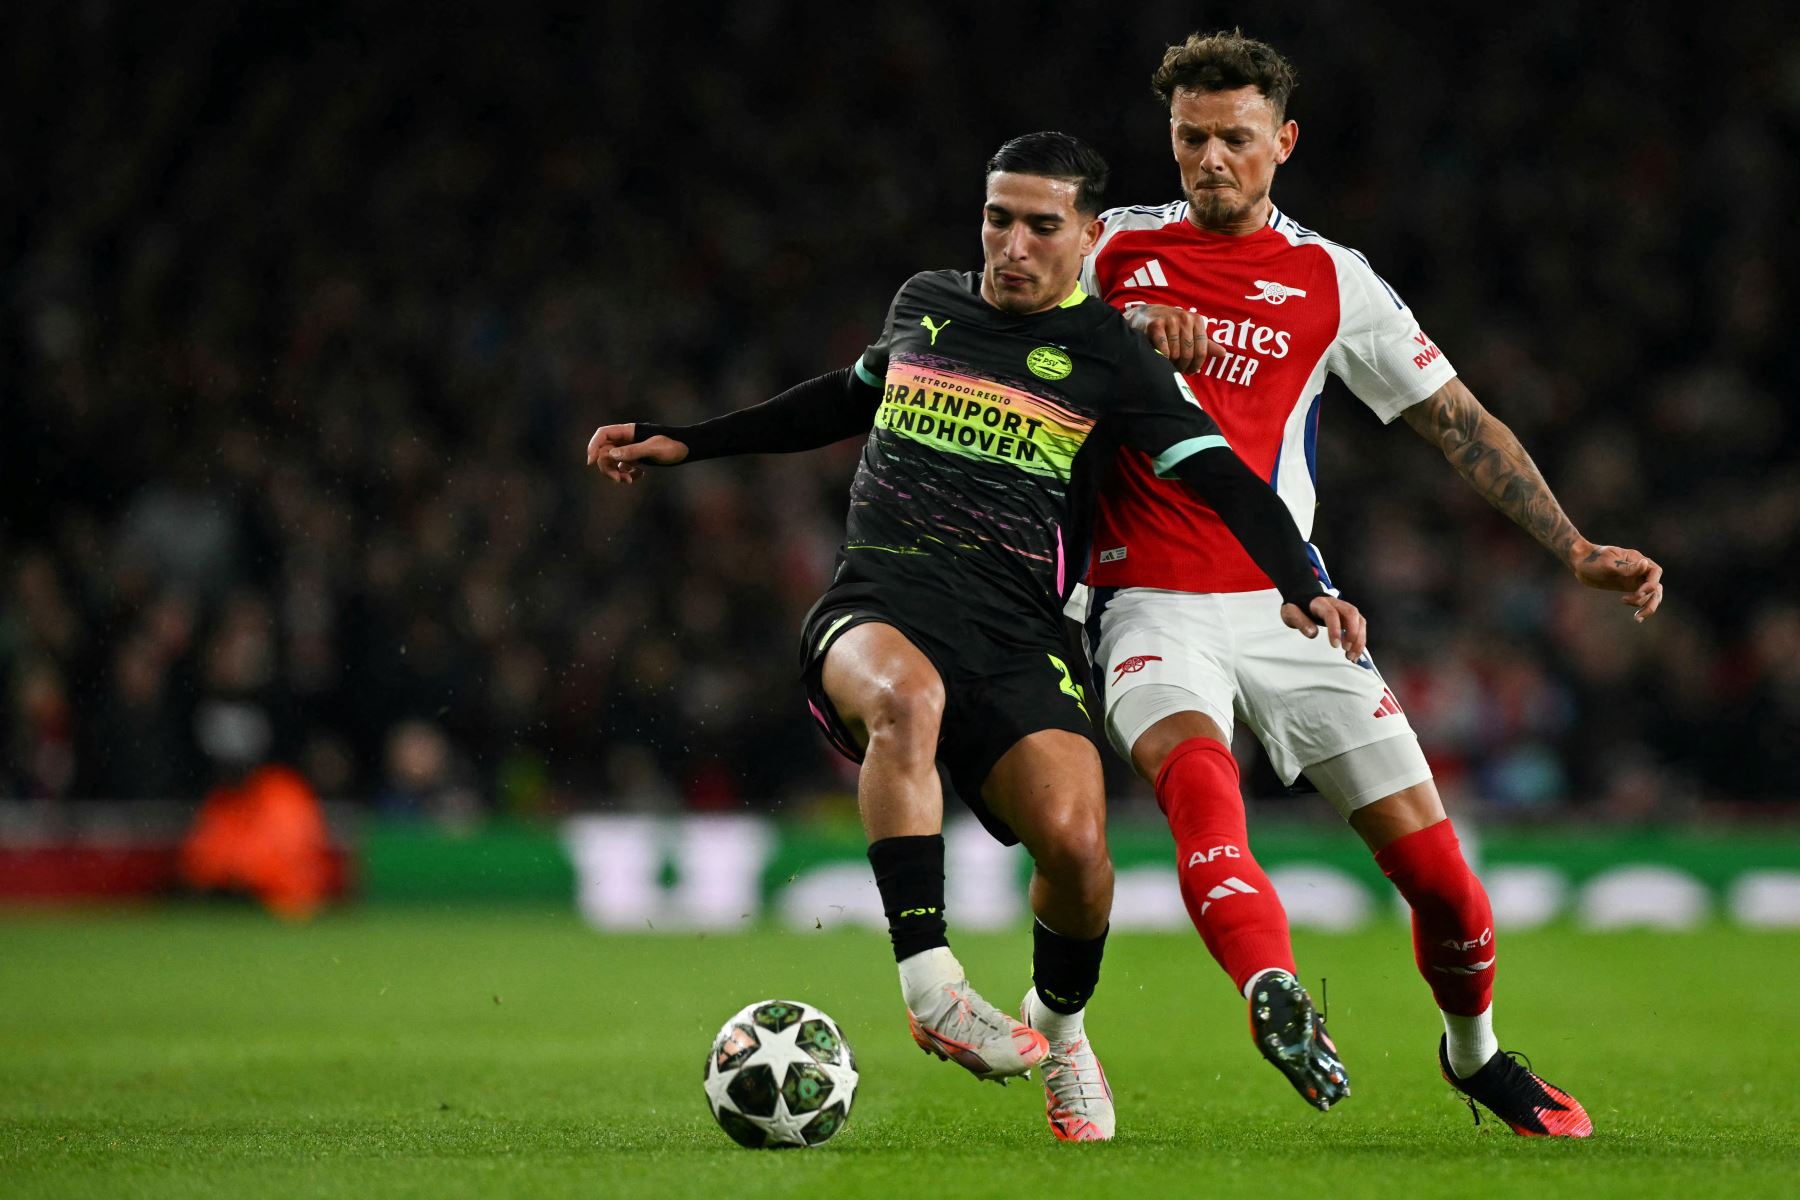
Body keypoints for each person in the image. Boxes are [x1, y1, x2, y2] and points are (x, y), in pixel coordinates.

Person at [587, 132, 1364, 1143]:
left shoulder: (1111, 358)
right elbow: (843, 397)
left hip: (1016, 632)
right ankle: (932, 984)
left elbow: (1221, 477)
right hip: (880, 602)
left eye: (1043, 225)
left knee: (1080, 850)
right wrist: (690, 439)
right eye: (1000, 217)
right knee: (905, 702)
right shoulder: (926, 304)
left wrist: (1306, 582)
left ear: (1089, 236)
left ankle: (1063, 1033)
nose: (1013, 243)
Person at [1075, 31, 1665, 1137]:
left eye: (1235, 140)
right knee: (1202, 785)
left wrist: (1575, 548)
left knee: (1446, 885)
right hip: (1144, 595)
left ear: (1283, 143)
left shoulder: (1331, 279)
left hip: (1291, 602)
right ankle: (1271, 990)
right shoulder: (1107, 248)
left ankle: (1476, 1055)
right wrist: (1113, 332)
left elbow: (1457, 421)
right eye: (1191, 138)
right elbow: (999, 341)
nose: (1210, 160)